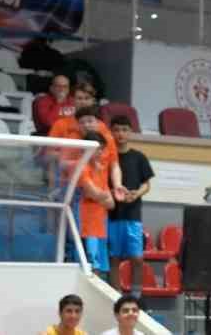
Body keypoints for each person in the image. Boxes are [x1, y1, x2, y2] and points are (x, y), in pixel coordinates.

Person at [67, 108, 119, 280]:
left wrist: (103, 196)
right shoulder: (81, 167)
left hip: (99, 223)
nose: (101, 153)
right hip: (84, 223)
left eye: (102, 149)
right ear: (87, 150)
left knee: (98, 267)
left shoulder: (101, 170)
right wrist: (104, 196)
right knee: (87, 265)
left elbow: (111, 203)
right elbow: (92, 193)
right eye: (98, 149)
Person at [108, 115, 155, 297]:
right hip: (112, 214)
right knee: (114, 257)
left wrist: (136, 194)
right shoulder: (108, 157)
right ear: (111, 132)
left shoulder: (139, 157)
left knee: (137, 258)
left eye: (124, 130)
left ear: (130, 132)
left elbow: (147, 184)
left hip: (133, 214)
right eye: (116, 130)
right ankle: (116, 295)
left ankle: (136, 295)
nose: (120, 134)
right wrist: (113, 192)